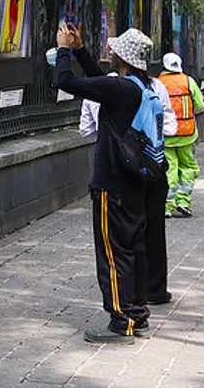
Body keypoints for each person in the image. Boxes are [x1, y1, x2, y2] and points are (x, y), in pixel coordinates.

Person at [56, 25, 159, 343]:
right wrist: (81, 51)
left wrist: (63, 50)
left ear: (124, 59)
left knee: (113, 253)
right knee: (134, 249)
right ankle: (137, 313)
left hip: (112, 184)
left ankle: (121, 319)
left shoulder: (121, 89)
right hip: (136, 182)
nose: (109, 54)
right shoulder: (142, 86)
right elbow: (98, 83)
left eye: (114, 51)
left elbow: (66, 82)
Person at [79, 57, 177, 307]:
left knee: (119, 246)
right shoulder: (153, 86)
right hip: (151, 168)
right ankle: (149, 293)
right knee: (147, 235)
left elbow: (86, 128)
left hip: (119, 174)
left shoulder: (114, 89)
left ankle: (127, 313)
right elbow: (169, 125)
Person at [158, 53, 204, 218]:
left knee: (169, 168)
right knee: (188, 168)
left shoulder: (158, 82)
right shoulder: (188, 81)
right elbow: (199, 104)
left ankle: (166, 206)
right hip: (187, 133)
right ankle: (183, 202)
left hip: (166, 134)